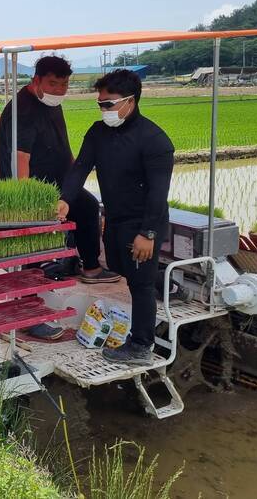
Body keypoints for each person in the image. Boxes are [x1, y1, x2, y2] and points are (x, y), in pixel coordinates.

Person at [57, 69, 174, 365]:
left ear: (130, 102)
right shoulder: (98, 133)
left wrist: (148, 234)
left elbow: (159, 194)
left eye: (108, 104)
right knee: (123, 269)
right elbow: (79, 169)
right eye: (100, 104)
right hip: (115, 218)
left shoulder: (154, 140)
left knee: (140, 284)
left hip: (144, 221)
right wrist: (64, 200)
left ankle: (140, 345)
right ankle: (168, 286)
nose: (104, 109)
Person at [0, 56, 118, 284]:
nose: (59, 90)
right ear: (36, 80)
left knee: (87, 206)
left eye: (64, 85)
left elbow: (63, 143)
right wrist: (26, 199)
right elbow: (20, 157)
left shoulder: (52, 102)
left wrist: (75, 179)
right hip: (36, 187)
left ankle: (88, 267)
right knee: (38, 231)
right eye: (53, 84)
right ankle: (31, 280)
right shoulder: (23, 109)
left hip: (58, 180)